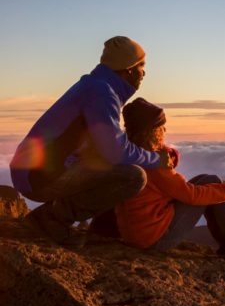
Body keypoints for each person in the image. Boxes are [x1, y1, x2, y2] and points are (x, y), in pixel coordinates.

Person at [10, 36, 172, 242]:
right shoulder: (102, 93)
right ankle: (52, 220)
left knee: (106, 160)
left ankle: (52, 216)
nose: (144, 72)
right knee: (133, 176)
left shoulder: (95, 86)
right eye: (142, 65)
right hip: (36, 176)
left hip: (31, 169)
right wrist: (156, 159)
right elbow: (116, 151)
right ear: (128, 69)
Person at [115, 98, 225, 259]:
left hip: (137, 234)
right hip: (156, 238)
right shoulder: (154, 163)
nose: (165, 129)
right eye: (161, 126)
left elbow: (166, 186)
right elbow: (191, 195)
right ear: (152, 131)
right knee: (215, 186)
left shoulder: (132, 155)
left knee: (209, 180)